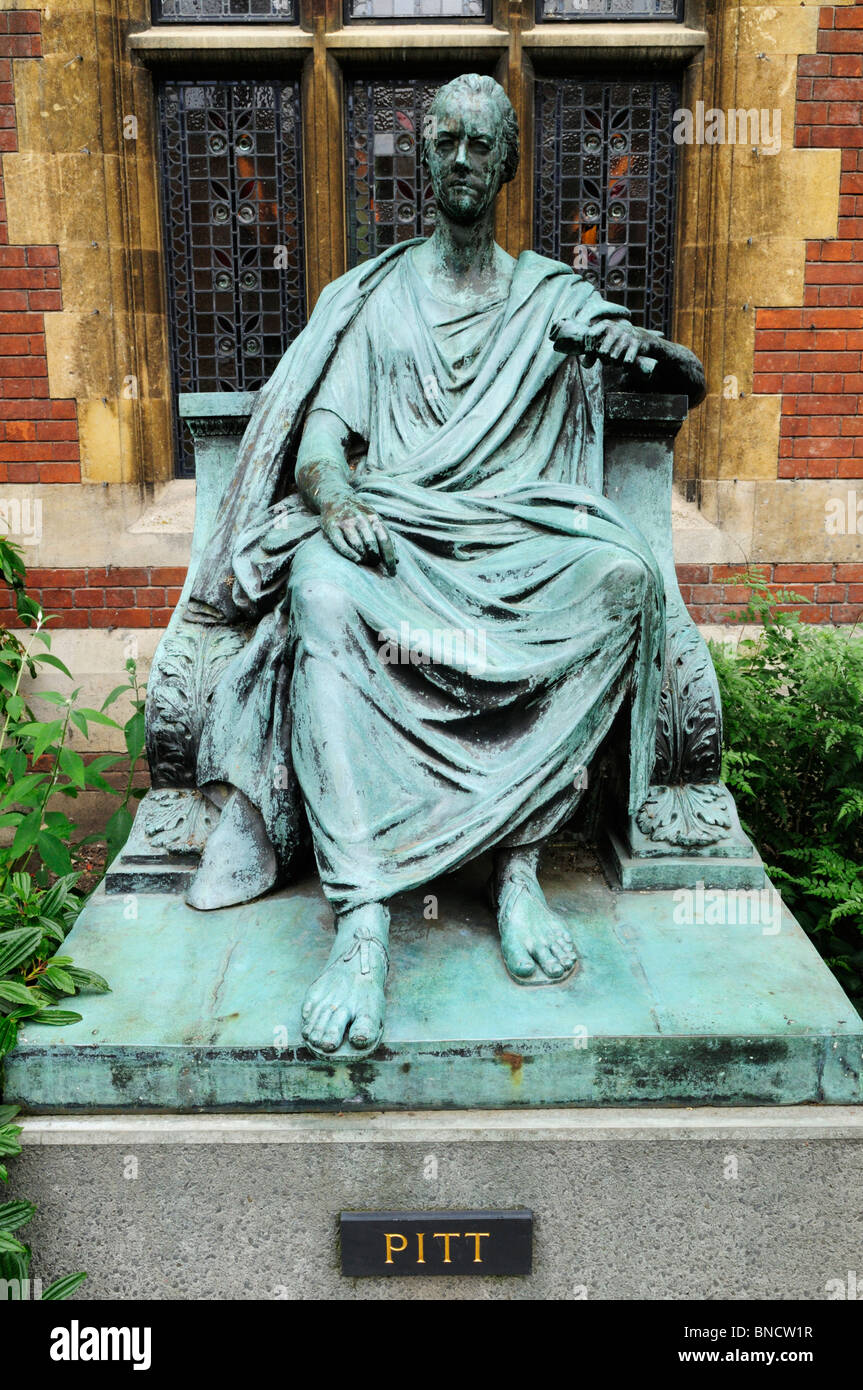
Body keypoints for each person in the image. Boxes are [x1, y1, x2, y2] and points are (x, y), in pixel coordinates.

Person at [183, 73, 705, 1057]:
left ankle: (515, 868)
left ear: (507, 165)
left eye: (480, 144)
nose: (461, 159)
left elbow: (691, 378)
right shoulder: (376, 299)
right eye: (445, 142)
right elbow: (322, 446)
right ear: (422, 160)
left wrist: (635, 352)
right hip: (400, 537)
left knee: (620, 581)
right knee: (321, 589)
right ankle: (366, 917)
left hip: (513, 540)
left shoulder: (553, 298)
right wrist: (336, 504)